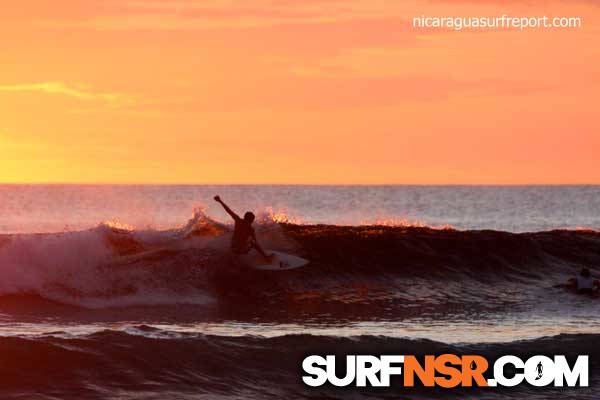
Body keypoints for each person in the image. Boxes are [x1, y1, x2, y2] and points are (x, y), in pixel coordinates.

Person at [214, 195, 272, 262]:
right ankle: (266, 257)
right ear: (252, 220)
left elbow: (228, 210)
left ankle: (235, 257)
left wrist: (220, 201)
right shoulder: (251, 229)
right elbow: (256, 242)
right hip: (241, 250)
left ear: (244, 217)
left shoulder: (238, 220)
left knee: (235, 236)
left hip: (233, 248)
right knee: (253, 243)